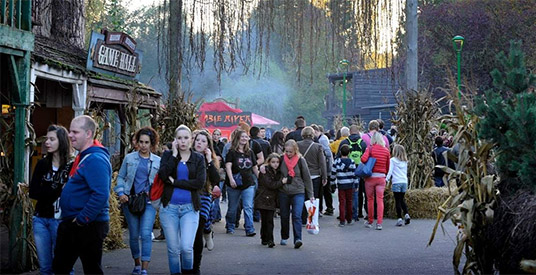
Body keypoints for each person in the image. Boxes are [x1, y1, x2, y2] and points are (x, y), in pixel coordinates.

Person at [53, 115, 111, 274]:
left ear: (88, 134)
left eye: (75, 132)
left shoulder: (95, 159)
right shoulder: (84, 157)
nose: (70, 135)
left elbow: (100, 194)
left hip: (86, 225)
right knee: (61, 266)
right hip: (76, 222)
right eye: (70, 131)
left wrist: (81, 219)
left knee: (89, 269)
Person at [158, 125, 206, 274]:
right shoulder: (168, 156)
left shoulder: (198, 158)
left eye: (186, 138)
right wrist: (173, 155)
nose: (183, 141)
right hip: (169, 208)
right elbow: (163, 175)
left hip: (190, 208)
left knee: (186, 247)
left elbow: (199, 183)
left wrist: (175, 182)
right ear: (175, 140)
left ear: (191, 139)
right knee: (173, 250)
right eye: (179, 138)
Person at [115, 127, 161, 275]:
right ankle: (136, 263)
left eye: (147, 142)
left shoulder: (157, 161)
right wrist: (121, 192)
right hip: (130, 200)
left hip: (148, 202)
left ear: (152, 144)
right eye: (141, 142)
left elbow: (161, 183)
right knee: (134, 235)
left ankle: (144, 268)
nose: (143, 145)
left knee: (146, 233)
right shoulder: (129, 158)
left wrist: (155, 193)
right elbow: (121, 176)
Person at [29, 125, 73, 275]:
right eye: (47, 139)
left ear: (61, 141)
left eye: (51, 139)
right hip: (41, 218)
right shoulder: (42, 164)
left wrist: (48, 191)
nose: (47, 142)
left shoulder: (70, 166)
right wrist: (58, 189)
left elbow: (73, 194)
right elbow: (33, 192)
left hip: (61, 220)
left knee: (64, 266)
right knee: (45, 267)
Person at [192, 130, 221, 273]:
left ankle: (196, 266)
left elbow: (216, 179)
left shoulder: (210, 159)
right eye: (198, 140)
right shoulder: (186, 156)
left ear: (208, 145)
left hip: (204, 195)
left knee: (199, 228)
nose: (200, 143)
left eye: (203, 141)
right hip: (188, 197)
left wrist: (209, 160)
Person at [278, 140, 314, 249]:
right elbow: (272, 166)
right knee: (284, 215)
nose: (288, 154)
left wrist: (311, 194)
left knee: (296, 215)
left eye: (290, 152)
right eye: (287, 151)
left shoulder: (300, 160)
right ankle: (284, 236)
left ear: (295, 150)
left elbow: (307, 177)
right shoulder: (281, 159)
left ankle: (298, 238)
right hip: (284, 191)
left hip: (298, 191)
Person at [224, 130, 259, 236]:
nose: (244, 138)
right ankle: (230, 225)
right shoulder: (232, 152)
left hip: (248, 183)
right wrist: (231, 179)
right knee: (233, 207)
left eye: (246, 137)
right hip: (234, 184)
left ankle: (249, 228)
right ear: (237, 138)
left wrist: (260, 179)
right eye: (242, 137)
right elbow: (228, 166)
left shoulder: (250, 152)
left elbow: (254, 167)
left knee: (248, 206)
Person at [337, 124, 367, 221]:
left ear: (349, 132)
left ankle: (345, 213)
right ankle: (357, 213)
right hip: (359, 170)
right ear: (358, 132)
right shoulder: (362, 143)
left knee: (344, 195)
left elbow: (337, 157)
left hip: (345, 173)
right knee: (357, 193)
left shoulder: (344, 142)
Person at [360, 132, 390, 230]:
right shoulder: (386, 151)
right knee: (380, 200)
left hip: (370, 178)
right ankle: (379, 223)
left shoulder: (370, 148)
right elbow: (387, 166)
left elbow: (363, 160)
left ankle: (370, 221)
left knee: (370, 200)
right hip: (381, 177)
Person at [297, 127, 327, 223]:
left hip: (301, 175)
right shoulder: (318, 146)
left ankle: (302, 218)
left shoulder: (297, 145)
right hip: (315, 175)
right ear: (312, 135)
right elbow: (322, 163)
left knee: (302, 196)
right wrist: (324, 176)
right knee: (312, 197)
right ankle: (311, 218)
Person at [255, 153, 284, 248]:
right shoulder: (265, 172)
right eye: (273, 162)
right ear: (269, 162)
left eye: (277, 162)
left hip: (271, 198)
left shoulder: (278, 172)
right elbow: (270, 184)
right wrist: (282, 182)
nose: (275, 164)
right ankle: (266, 238)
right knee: (265, 220)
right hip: (264, 197)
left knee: (269, 220)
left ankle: (268, 239)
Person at [330, 144, 358, 227]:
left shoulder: (337, 162)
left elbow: (333, 174)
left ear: (340, 152)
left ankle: (342, 220)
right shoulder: (352, 162)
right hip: (350, 184)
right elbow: (354, 174)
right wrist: (356, 185)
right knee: (349, 202)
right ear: (349, 153)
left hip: (341, 184)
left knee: (342, 202)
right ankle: (349, 219)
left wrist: (332, 184)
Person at [386, 144, 411, 226]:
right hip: (404, 181)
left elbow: (390, 171)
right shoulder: (405, 161)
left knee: (397, 201)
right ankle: (406, 214)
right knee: (402, 199)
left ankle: (399, 218)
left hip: (396, 181)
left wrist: (386, 179)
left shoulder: (392, 160)